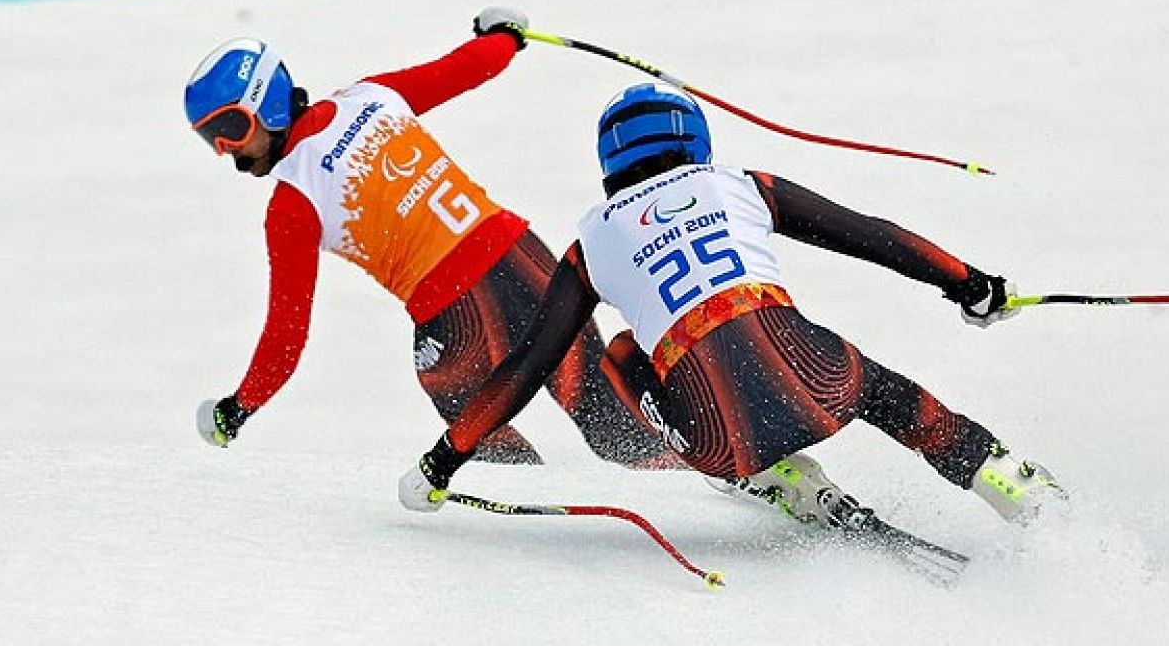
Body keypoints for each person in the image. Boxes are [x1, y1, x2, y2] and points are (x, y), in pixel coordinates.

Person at [401, 82, 1065, 528]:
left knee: (624, 352)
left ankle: (773, 477)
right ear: (692, 140)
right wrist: (969, 281)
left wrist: (441, 461)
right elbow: (871, 235)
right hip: (822, 381)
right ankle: (1004, 477)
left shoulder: (591, 241)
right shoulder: (738, 184)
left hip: (718, 439)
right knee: (888, 395)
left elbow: (525, 367)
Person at [185, 10, 680, 470]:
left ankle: (526, 511)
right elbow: (467, 67)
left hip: (454, 317)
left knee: (479, 436)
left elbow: (286, 333)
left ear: (266, 105)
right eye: (211, 139)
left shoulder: (292, 204)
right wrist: (504, 37)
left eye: (230, 128)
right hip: (522, 258)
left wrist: (240, 407)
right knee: (606, 415)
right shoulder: (368, 97)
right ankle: (706, 475)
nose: (227, 150)